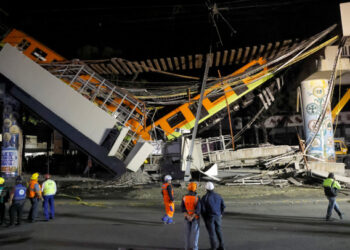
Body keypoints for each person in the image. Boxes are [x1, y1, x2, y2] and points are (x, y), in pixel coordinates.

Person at [201, 182, 225, 250]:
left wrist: (205, 218)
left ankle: (213, 247)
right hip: (218, 216)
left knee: (212, 233)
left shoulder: (205, 197)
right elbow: (223, 206)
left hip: (209, 217)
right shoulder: (218, 196)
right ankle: (222, 246)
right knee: (219, 231)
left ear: (206, 189)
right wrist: (221, 214)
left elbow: (203, 209)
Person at [181, 182, 201, 250]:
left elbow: (182, 208)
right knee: (195, 234)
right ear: (195, 189)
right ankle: (195, 248)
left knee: (187, 234)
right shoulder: (197, 198)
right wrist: (192, 217)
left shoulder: (184, 197)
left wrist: (187, 216)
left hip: (187, 218)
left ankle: (186, 247)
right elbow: (198, 210)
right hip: (195, 218)